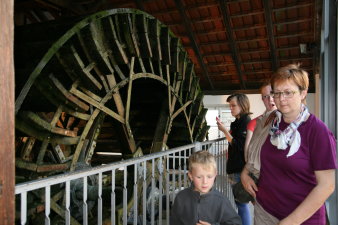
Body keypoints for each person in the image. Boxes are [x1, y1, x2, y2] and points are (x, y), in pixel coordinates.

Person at [241, 64, 337, 225]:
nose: (281, 99)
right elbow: (256, 152)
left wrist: (291, 221)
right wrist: (245, 172)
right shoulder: (270, 121)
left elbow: (327, 186)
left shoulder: (317, 131)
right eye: (277, 93)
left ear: (303, 93)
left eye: (288, 92)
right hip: (265, 211)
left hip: (302, 219)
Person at [170, 150, 242, 225]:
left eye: (209, 176)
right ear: (190, 176)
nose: (205, 181)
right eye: (199, 177)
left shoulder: (221, 201)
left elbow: (236, 223)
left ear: (215, 174)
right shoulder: (181, 198)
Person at [216, 93, 251, 225]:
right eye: (230, 105)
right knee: (239, 203)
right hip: (234, 167)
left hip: (239, 168)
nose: (231, 108)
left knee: (241, 204)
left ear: (242, 105)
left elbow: (239, 145)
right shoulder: (237, 122)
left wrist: (225, 131)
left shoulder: (245, 122)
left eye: (233, 105)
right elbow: (234, 143)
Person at [244, 82, 277, 161]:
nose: (270, 99)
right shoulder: (254, 122)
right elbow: (247, 155)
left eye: (272, 94)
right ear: (262, 99)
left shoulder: (287, 119)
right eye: (266, 96)